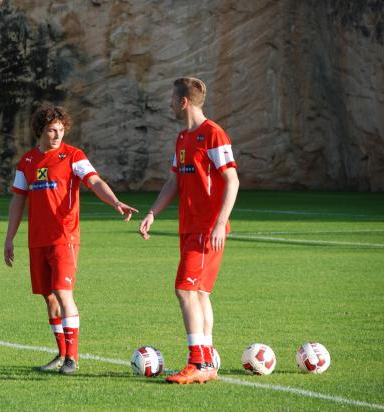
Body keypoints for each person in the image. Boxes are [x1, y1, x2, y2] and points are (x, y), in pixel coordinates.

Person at [4, 103, 138, 375]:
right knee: (49, 298)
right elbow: (18, 200)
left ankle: (72, 359)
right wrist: (9, 238)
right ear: (40, 130)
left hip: (64, 237)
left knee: (64, 294)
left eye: (61, 130)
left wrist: (115, 202)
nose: (57, 135)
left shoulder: (73, 156)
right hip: (37, 240)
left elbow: (94, 181)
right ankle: (62, 354)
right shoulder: (27, 161)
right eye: (52, 130)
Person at [139, 77, 239, 384]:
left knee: (184, 290)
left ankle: (197, 362)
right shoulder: (182, 139)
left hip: (207, 229)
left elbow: (232, 180)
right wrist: (153, 213)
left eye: (172, 98)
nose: (169, 102)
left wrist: (220, 223)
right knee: (200, 293)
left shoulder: (213, 134)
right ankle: (207, 362)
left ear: (184, 102)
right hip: (189, 227)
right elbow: (174, 182)